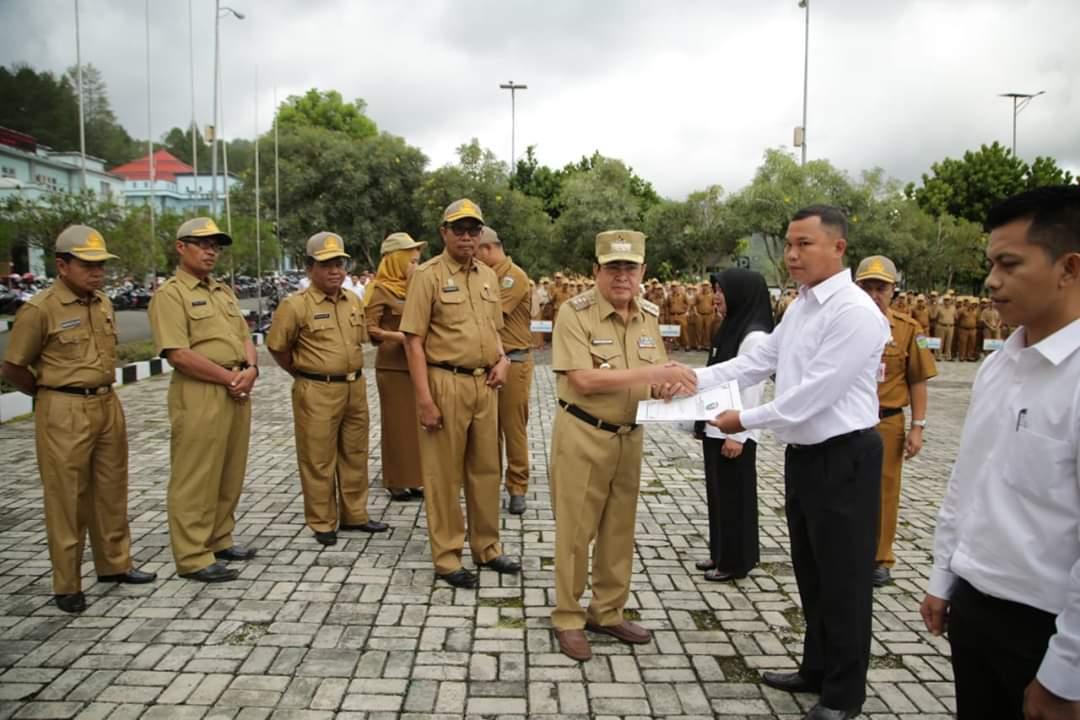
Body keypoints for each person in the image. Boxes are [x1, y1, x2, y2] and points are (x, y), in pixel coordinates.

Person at [703, 206, 889, 720]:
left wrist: (743, 418)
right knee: (811, 570)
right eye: (788, 244)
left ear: (838, 248)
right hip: (806, 457)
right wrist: (690, 378)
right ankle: (816, 668)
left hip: (846, 457)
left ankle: (843, 695)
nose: (791, 254)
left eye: (804, 244)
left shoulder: (853, 312)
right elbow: (758, 361)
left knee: (846, 579)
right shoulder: (803, 306)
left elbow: (810, 397)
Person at [921, 187, 1080, 719]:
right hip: (975, 605)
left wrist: (1065, 675)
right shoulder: (999, 365)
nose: (991, 281)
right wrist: (945, 577)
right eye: (991, 263)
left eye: (1009, 264)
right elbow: (969, 481)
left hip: (1047, 626)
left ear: (1069, 267)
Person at [549, 229, 697, 662]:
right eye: (612, 267)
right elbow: (583, 379)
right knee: (576, 532)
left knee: (618, 530)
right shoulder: (574, 314)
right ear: (596, 271)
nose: (621, 276)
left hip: (630, 436)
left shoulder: (648, 316)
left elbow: (652, 379)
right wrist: (649, 376)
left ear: (643, 272)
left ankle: (607, 611)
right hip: (583, 434)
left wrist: (670, 387)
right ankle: (568, 617)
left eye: (629, 267)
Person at [1, 225, 156, 613]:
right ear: (62, 265)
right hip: (63, 407)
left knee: (111, 488)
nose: (97, 272)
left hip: (107, 403)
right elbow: (13, 366)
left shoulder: (102, 302)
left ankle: (115, 565)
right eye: (87, 265)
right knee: (67, 497)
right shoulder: (40, 309)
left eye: (101, 264)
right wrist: (47, 394)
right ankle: (67, 582)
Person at [400, 199, 520, 589]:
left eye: (474, 230)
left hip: (485, 384)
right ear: (444, 232)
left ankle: (487, 547)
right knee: (443, 476)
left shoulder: (487, 275)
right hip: (444, 382)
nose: (467, 237)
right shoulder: (428, 275)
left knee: (487, 470)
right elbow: (413, 341)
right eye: (460, 229)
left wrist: (502, 360)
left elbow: (493, 330)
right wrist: (424, 400)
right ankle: (448, 556)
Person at [149, 217, 258, 583]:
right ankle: (193, 555)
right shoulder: (171, 294)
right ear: (181, 247)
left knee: (229, 469)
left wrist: (251, 369)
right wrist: (230, 377)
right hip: (200, 390)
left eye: (216, 245)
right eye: (203, 243)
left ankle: (219, 538)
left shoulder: (222, 291)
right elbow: (177, 353)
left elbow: (245, 335)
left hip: (236, 387)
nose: (211, 251)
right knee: (195, 474)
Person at [266, 232, 388, 546]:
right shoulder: (295, 306)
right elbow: (278, 347)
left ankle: (355, 514)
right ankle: (322, 521)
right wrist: (304, 374)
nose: (336, 270)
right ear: (309, 268)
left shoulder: (353, 300)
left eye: (340, 263)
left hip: (355, 387)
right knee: (318, 457)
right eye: (326, 264)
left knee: (355, 453)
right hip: (317, 390)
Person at [854, 256, 936, 588]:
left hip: (886, 422)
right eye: (867, 287)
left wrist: (918, 426)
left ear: (893, 291)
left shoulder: (907, 330)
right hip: (844, 422)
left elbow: (918, 380)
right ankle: (848, 551)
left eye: (881, 288)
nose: (875, 294)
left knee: (885, 491)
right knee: (843, 489)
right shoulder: (843, 325)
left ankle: (880, 558)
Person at [695, 269, 773, 582]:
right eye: (714, 289)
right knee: (719, 495)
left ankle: (735, 561)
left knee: (735, 498)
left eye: (722, 291)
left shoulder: (754, 336)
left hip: (735, 430)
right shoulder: (731, 326)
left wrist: (739, 435)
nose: (715, 296)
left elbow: (752, 389)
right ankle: (721, 552)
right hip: (718, 425)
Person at [475, 226, 534, 515]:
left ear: (487, 249)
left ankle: (517, 486)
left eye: (475, 251)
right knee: (488, 430)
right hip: (488, 364)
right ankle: (489, 483)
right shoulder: (484, 276)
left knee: (513, 428)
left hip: (514, 361)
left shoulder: (514, 277)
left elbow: (491, 314)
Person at [364, 232, 427, 502]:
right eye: (410, 259)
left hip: (417, 365)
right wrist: (398, 337)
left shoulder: (417, 286)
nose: (415, 263)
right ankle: (396, 479)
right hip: (392, 367)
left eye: (417, 260)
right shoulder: (380, 290)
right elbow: (369, 329)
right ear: (395, 260)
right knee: (396, 425)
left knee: (415, 426)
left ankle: (415, 478)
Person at [693, 280, 715, 351]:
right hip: (700, 315)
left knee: (708, 331)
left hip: (708, 315)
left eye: (706, 285)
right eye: (703, 285)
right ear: (702, 286)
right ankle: (698, 345)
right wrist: (696, 312)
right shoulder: (698, 295)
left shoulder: (712, 295)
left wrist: (713, 312)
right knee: (698, 330)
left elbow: (714, 304)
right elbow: (694, 305)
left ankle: (707, 345)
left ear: (709, 286)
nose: (705, 287)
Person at [935, 294, 956, 361]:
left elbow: (956, 317)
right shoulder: (939, 308)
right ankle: (938, 356)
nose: (947, 301)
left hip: (950, 327)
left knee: (949, 342)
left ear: (950, 301)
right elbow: (935, 317)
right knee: (940, 342)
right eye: (945, 300)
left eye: (948, 300)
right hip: (941, 326)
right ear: (943, 300)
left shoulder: (953, 308)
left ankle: (948, 356)